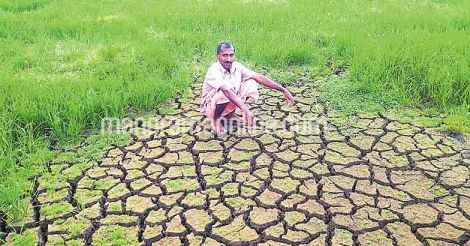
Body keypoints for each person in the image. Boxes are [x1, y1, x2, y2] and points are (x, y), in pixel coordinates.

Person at [200, 41, 295, 134]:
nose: (229, 59)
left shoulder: (236, 67)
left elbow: (258, 77)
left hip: (228, 95)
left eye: (231, 55)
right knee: (223, 93)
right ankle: (215, 120)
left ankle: (229, 116)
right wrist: (244, 108)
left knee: (251, 83)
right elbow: (226, 90)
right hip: (210, 104)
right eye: (225, 55)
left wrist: (283, 90)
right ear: (217, 56)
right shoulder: (214, 70)